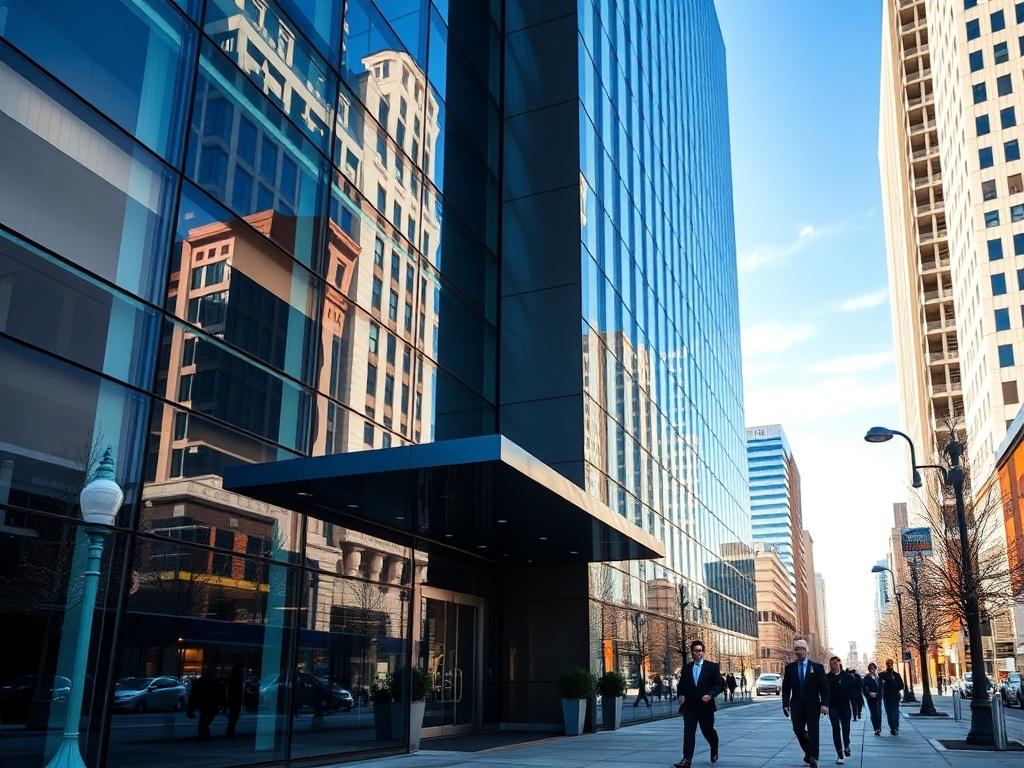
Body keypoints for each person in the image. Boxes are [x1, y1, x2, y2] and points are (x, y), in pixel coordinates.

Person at [674, 640, 723, 768]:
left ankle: (714, 745)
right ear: (692, 652)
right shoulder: (686, 668)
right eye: (695, 651)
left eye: (700, 651)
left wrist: (710, 695)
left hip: (705, 706)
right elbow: (681, 686)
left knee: (707, 730)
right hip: (690, 706)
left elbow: (718, 685)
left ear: (703, 652)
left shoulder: (712, 667)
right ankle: (686, 760)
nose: (698, 653)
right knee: (689, 732)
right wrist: (681, 695)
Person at [782, 638, 830, 768]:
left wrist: (825, 704)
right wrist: (785, 704)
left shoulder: (817, 668)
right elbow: (786, 688)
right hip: (796, 706)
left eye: (800, 649)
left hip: (813, 706)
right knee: (798, 730)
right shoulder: (790, 668)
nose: (798, 652)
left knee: (814, 732)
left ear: (806, 651)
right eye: (796, 649)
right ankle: (809, 752)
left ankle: (814, 758)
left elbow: (824, 688)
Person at [826, 657, 855, 764]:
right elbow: (824, 693)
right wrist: (824, 705)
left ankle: (847, 744)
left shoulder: (848, 677)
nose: (833, 665)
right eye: (831, 663)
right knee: (836, 729)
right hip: (833, 708)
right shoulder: (827, 678)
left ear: (839, 664)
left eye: (835, 663)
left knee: (846, 728)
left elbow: (852, 695)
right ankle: (840, 754)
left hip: (845, 708)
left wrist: (855, 710)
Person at [187, 667, 224, 740]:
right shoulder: (213, 682)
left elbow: (193, 696)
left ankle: (203, 733)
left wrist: (191, 708)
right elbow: (219, 693)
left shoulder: (200, 682)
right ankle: (204, 733)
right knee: (207, 718)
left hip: (205, 703)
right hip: (208, 703)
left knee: (205, 718)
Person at [878, 659, 904, 735]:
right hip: (886, 696)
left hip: (895, 696)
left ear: (892, 664)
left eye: (891, 663)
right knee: (889, 712)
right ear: (886, 664)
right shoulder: (881, 675)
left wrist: (894, 686)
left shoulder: (896, 675)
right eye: (888, 663)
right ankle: (892, 727)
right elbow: (880, 685)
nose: (889, 665)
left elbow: (901, 685)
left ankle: (895, 726)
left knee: (895, 711)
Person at [862, 663, 884, 736]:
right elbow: (864, 689)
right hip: (870, 699)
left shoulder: (879, 678)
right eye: (871, 669)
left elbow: (881, 689)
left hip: (878, 698)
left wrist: (878, 695)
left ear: (875, 669)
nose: (872, 670)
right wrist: (869, 695)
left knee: (879, 713)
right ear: (869, 670)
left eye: (874, 668)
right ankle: (876, 728)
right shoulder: (866, 678)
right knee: (873, 713)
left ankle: (879, 728)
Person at [225, 665, 244, 738]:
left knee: (232, 717)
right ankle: (231, 732)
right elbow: (238, 692)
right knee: (233, 717)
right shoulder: (237, 680)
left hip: (233, 700)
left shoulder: (231, 680)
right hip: (235, 701)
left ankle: (230, 732)